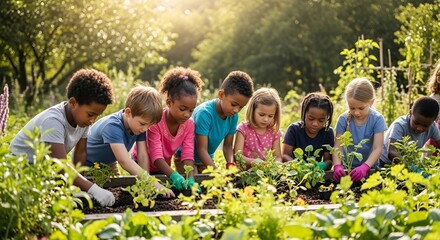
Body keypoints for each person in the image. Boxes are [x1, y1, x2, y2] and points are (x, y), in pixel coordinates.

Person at [9, 69, 116, 206]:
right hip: (17, 174)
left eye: (97, 116)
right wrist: (93, 189)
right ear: (72, 103)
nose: (93, 120)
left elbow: (80, 153)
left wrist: (78, 187)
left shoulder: (82, 121)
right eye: (90, 114)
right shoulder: (53, 121)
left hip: (40, 174)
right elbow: (59, 164)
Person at [86, 86, 174, 197]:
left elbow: (142, 156)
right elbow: (124, 161)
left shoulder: (139, 127)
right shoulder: (113, 126)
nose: (145, 129)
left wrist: (146, 184)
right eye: (143, 124)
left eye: (150, 125)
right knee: (94, 195)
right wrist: (153, 183)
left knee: (115, 191)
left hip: (108, 163)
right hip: (87, 164)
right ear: (128, 113)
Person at [131, 67, 203, 191]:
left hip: (162, 167)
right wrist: (173, 174)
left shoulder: (189, 124)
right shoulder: (156, 122)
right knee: (142, 190)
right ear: (169, 103)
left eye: (191, 110)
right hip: (141, 163)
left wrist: (191, 178)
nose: (187, 114)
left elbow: (187, 154)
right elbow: (156, 156)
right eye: (182, 108)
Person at [176, 71, 254, 173]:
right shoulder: (204, 114)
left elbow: (228, 146)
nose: (236, 110)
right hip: (186, 159)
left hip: (206, 159)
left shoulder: (233, 116)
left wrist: (230, 164)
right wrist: (218, 174)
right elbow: (201, 150)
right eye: (234, 104)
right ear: (221, 95)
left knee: (213, 186)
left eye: (241, 107)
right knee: (194, 186)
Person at [333, 78, 387, 182]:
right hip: (346, 170)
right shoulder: (343, 119)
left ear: (371, 102)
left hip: (370, 169)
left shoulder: (377, 119)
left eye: (361, 108)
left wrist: (365, 167)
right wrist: (337, 166)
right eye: (352, 108)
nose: (356, 112)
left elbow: (377, 148)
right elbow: (337, 147)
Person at [379, 96, 440, 167]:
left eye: (425, 126)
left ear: (433, 121)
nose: (419, 128)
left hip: (407, 162)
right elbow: (391, 152)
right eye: (416, 123)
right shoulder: (400, 125)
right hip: (384, 162)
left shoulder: (432, 127)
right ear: (410, 113)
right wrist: (409, 167)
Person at [282, 92, 334, 171]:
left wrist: (321, 166)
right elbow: (285, 155)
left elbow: (329, 161)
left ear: (327, 118)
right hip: (293, 173)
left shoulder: (327, 132)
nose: (315, 124)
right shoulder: (294, 130)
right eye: (311, 118)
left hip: (315, 175)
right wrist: (298, 166)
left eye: (321, 120)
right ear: (304, 113)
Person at [233, 87, 283, 168]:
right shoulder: (243, 129)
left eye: (270, 116)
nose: (266, 119)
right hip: (243, 174)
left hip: (264, 174)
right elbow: (237, 156)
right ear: (252, 110)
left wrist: (275, 164)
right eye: (261, 114)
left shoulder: (274, 132)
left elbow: (278, 157)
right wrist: (255, 162)